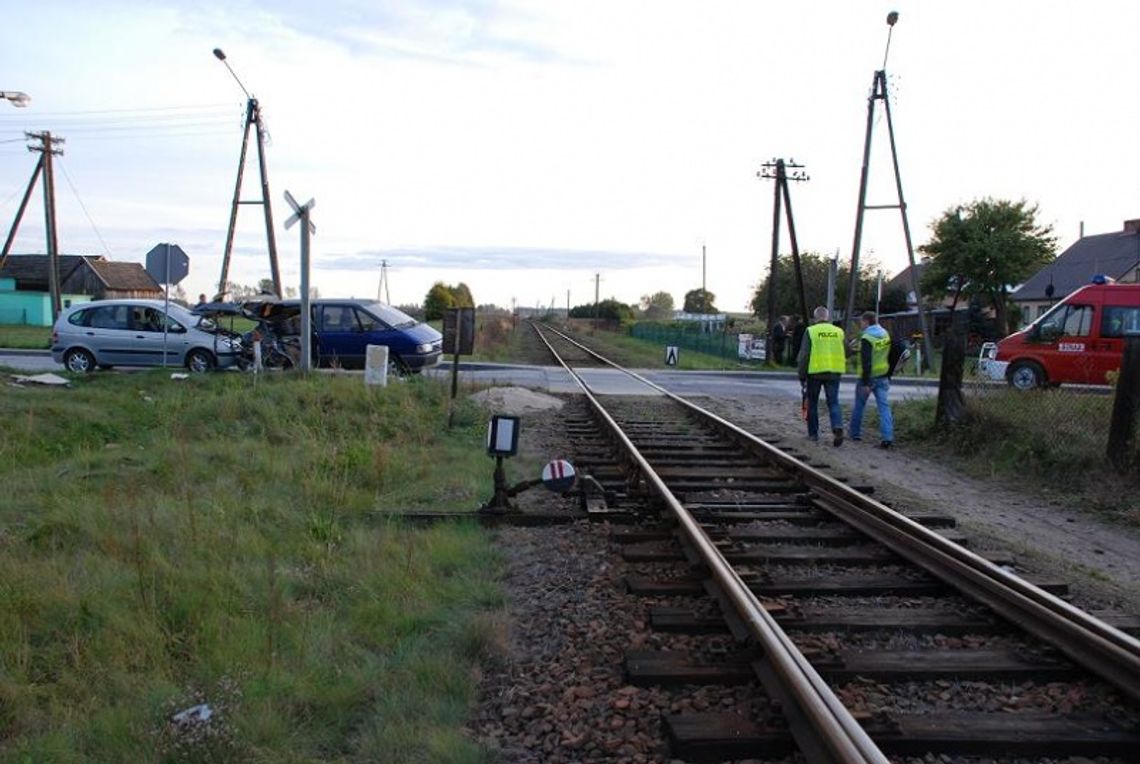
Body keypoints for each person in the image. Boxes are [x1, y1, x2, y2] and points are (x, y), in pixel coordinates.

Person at [797, 306, 846, 446]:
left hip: (815, 373)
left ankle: (813, 434)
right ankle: (837, 426)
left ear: (815, 318)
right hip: (834, 372)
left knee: (812, 403)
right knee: (833, 402)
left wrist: (802, 375)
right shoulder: (838, 332)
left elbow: (804, 355)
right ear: (827, 317)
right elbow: (846, 350)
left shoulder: (811, 331)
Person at [849, 311, 895, 449]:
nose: (860, 324)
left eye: (861, 322)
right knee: (884, 408)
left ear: (867, 321)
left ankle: (854, 433)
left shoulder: (867, 338)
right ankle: (888, 437)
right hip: (883, 375)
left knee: (859, 405)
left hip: (869, 377)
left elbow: (867, 361)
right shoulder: (885, 333)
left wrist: (866, 382)